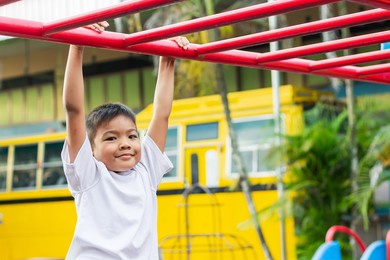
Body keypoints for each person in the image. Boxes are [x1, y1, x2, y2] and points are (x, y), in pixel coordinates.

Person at [61, 21, 189, 259]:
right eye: (111, 138)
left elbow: (161, 113)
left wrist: (167, 59)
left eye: (132, 135)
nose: (125, 143)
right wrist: (77, 46)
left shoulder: (145, 171)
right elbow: (74, 110)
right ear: (92, 149)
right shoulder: (89, 175)